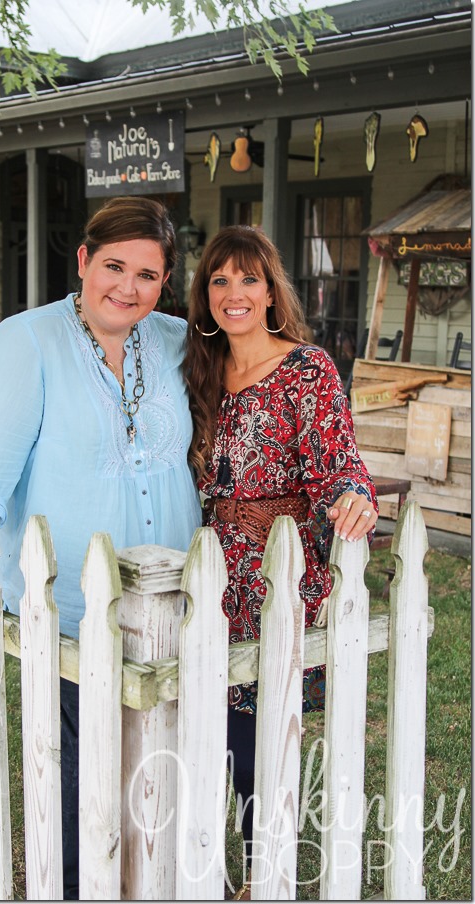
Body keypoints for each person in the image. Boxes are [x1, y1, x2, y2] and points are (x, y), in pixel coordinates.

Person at [0, 196, 202, 900]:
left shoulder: (180, 341)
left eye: (148, 276)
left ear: (164, 284)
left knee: (162, 767)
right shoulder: (24, 340)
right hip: (71, 610)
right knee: (82, 779)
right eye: (115, 267)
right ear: (84, 261)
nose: (128, 288)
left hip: (175, 603)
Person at [183, 225, 378, 894]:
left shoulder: (306, 368)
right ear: (205, 294)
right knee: (209, 728)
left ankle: (267, 872)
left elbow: (337, 456)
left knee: (262, 737)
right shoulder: (199, 372)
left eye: (248, 279)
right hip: (209, 572)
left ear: (270, 292)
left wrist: (353, 492)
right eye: (219, 281)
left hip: (274, 573)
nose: (234, 294)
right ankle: (211, 864)